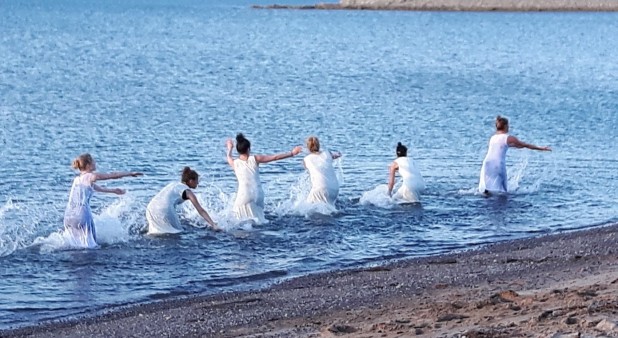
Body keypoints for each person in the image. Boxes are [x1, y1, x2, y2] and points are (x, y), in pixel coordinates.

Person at [63, 153, 142, 248]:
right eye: (93, 162)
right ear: (88, 165)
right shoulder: (90, 176)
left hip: (69, 216)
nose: (95, 163)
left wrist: (114, 191)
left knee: (74, 245)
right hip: (82, 214)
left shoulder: (77, 179)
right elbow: (113, 175)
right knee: (90, 246)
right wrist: (129, 174)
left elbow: (95, 188)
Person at [226, 133, 302, 224]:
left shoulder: (235, 163)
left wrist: (230, 148)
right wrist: (292, 153)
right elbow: (274, 157)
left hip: (244, 195)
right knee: (259, 220)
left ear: (238, 151)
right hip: (258, 194)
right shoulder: (255, 158)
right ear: (248, 149)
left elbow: (228, 157)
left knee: (238, 220)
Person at [478, 115, 551, 194]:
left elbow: (509, 146)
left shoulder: (493, 137)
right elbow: (525, 145)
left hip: (487, 163)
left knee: (487, 189)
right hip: (498, 165)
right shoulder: (508, 138)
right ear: (505, 126)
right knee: (502, 190)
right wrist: (541, 148)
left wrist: (520, 146)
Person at [146, 167, 219, 235]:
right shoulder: (188, 191)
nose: (198, 183)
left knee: (154, 232)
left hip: (150, 208)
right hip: (164, 209)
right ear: (191, 181)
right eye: (197, 180)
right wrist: (213, 224)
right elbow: (200, 210)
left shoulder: (174, 184)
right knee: (177, 232)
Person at [303, 136, 341, 206]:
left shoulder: (306, 159)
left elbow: (306, 168)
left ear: (308, 147)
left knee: (304, 207)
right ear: (319, 145)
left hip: (320, 189)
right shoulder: (327, 153)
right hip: (335, 189)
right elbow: (337, 155)